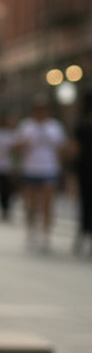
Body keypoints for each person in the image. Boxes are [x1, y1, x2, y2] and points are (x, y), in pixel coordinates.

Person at [14, 96, 69, 252]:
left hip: (49, 169)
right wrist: (23, 144)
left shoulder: (54, 127)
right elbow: (16, 147)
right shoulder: (26, 125)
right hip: (30, 169)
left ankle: (46, 234)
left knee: (47, 203)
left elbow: (63, 148)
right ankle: (31, 229)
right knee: (31, 203)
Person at [73, 93, 92, 254]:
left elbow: (75, 148)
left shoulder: (81, 124)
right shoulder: (82, 125)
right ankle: (86, 233)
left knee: (85, 202)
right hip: (85, 168)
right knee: (86, 201)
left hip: (84, 168)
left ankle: (85, 232)